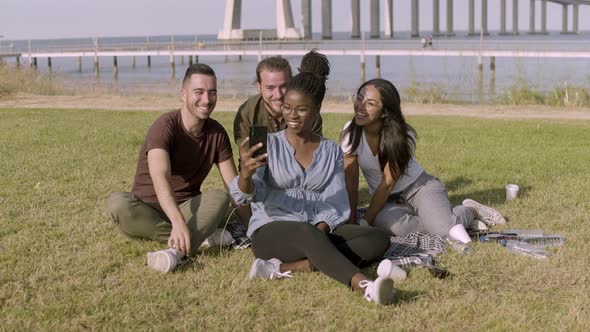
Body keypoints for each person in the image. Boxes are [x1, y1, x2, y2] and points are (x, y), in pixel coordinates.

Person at [230, 51, 396, 305]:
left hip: (313, 231)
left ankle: (285, 268)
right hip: (271, 232)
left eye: (301, 109)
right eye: (287, 107)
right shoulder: (267, 144)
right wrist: (245, 173)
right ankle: (364, 285)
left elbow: (336, 203)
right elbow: (245, 194)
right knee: (306, 232)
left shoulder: (330, 150)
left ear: (317, 109)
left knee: (377, 238)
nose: (292, 116)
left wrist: (321, 230)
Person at [106, 64, 239, 273]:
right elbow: (160, 178)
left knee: (220, 199)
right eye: (199, 92)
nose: (206, 99)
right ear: (183, 95)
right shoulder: (165, 126)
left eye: (212, 92)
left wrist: (254, 221)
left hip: (188, 208)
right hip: (149, 208)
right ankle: (198, 236)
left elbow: (234, 187)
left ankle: (175, 253)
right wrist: (177, 222)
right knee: (118, 204)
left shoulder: (217, 133)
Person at [342, 79, 506, 244]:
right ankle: (446, 221)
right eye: (359, 98)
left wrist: (364, 222)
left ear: (385, 112)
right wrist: (352, 220)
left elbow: (387, 184)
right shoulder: (351, 133)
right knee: (393, 227)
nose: (360, 106)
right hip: (388, 201)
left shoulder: (402, 136)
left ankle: (471, 211)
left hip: (419, 187)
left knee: (441, 228)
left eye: (370, 103)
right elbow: (351, 180)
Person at [233, 54, 323, 146]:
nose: (278, 95)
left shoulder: (307, 111)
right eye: (270, 88)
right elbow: (248, 155)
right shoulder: (247, 113)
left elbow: (314, 152)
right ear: (259, 87)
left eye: (284, 86)